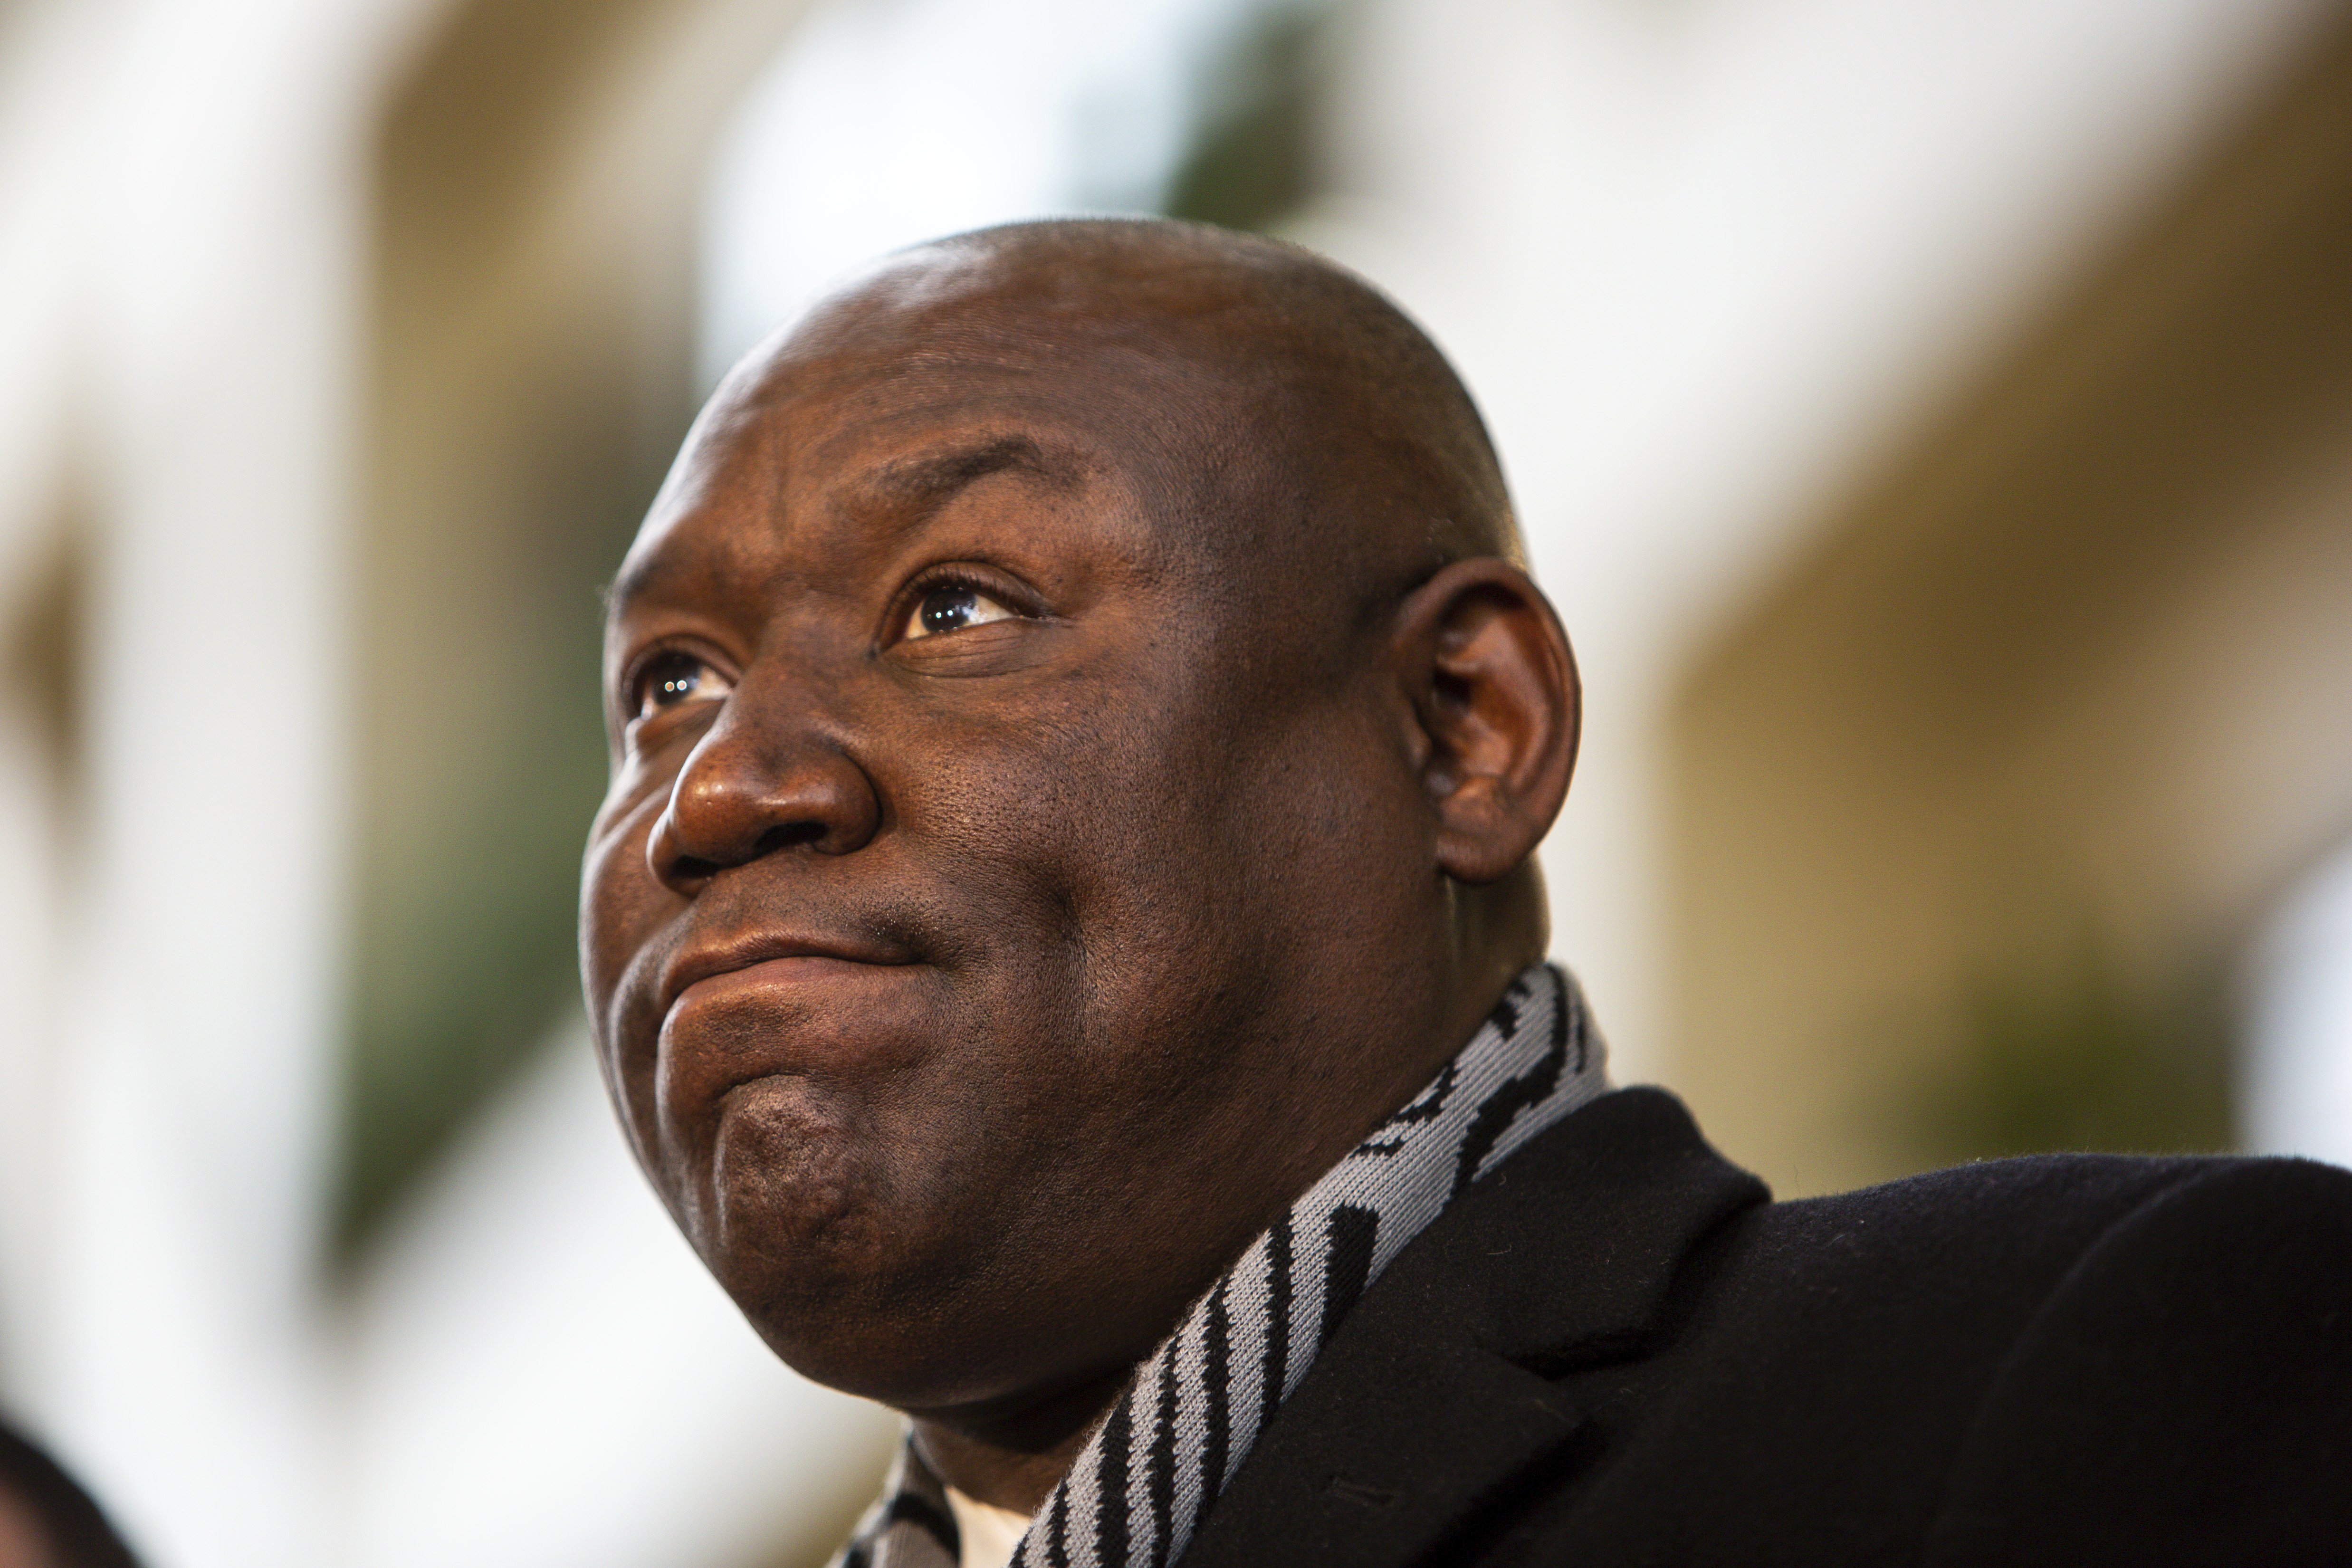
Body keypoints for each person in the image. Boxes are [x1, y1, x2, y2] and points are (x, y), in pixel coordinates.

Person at [579, 218, 2352, 1568]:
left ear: (1463, 731)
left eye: (958, 604)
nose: (723, 787)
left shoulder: (2122, 1381)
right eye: (670, 681)